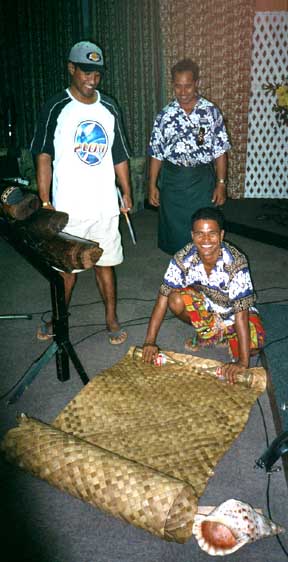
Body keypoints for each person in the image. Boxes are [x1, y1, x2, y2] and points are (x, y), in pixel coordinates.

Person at [31, 41, 132, 344]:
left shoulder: (110, 106)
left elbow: (120, 155)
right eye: (85, 72)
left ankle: (111, 319)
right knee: (66, 270)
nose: (92, 79)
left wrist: (126, 192)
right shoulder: (56, 106)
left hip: (104, 205)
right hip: (69, 208)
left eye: (97, 74)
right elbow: (43, 156)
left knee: (106, 264)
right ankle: (58, 318)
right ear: (71, 68)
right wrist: (46, 200)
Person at [142, 207, 266, 384]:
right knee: (174, 299)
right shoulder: (183, 258)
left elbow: (241, 313)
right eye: (200, 234)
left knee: (253, 348)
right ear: (192, 235)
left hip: (234, 312)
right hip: (208, 307)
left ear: (221, 235)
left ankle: (217, 333)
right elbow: (162, 299)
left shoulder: (236, 262)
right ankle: (212, 332)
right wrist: (149, 342)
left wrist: (243, 362)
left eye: (212, 233)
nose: (206, 240)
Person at [148, 58, 231, 255]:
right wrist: (152, 185)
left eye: (187, 86)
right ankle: (181, 277)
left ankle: (205, 277)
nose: (183, 92)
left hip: (201, 180)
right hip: (173, 180)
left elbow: (220, 151)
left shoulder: (210, 112)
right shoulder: (165, 116)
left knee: (204, 231)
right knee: (175, 234)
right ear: (173, 85)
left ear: (196, 83)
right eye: (178, 86)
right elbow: (156, 153)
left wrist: (221, 183)